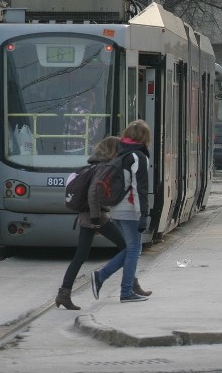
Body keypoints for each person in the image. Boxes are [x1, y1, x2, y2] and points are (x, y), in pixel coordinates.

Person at [56, 136, 127, 310]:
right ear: (113, 151)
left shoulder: (94, 166)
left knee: (80, 257)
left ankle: (63, 294)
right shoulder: (103, 167)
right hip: (95, 216)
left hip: (88, 215)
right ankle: (126, 283)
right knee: (128, 248)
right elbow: (93, 193)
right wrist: (96, 220)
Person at [90, 119, 152, 303]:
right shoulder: (138, 157)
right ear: (144, 138)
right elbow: (139, 189)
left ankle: (115, 282)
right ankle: (122, 290)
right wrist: (143, 215)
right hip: (130, 210)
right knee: (134, 250)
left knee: (129, 249)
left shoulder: (121, 154)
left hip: (116, 209)